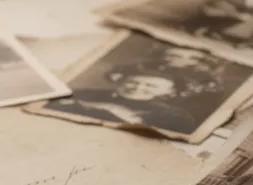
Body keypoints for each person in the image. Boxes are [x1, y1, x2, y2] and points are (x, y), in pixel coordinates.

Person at [46, 48, 211, 135]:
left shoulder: (174, 115)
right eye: (133, 82)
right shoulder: (82, 93)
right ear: (120, 82)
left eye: (150, 87)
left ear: (168, 93)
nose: (138, 88)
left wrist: (111, 110)